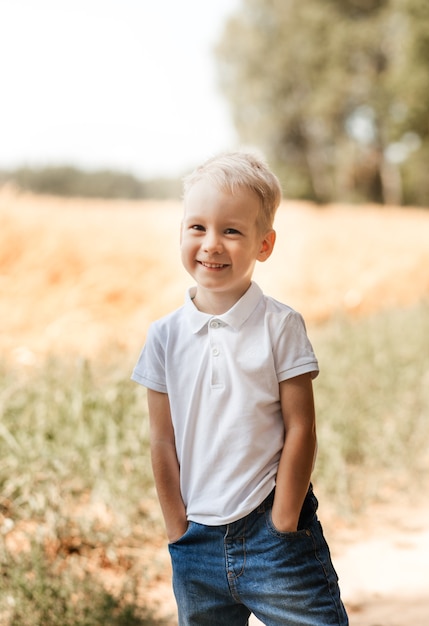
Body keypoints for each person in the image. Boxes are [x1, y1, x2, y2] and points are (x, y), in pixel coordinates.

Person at [131, 151, 349, 626]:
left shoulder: (280, 325)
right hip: (195, 546)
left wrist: (284, 520)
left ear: (264, 244)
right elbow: (162, 441)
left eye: (231, 230)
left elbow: (301, 428)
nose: (211, 244)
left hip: (273, 536)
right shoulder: (164, 337)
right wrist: (177, 528)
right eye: (197, 227)